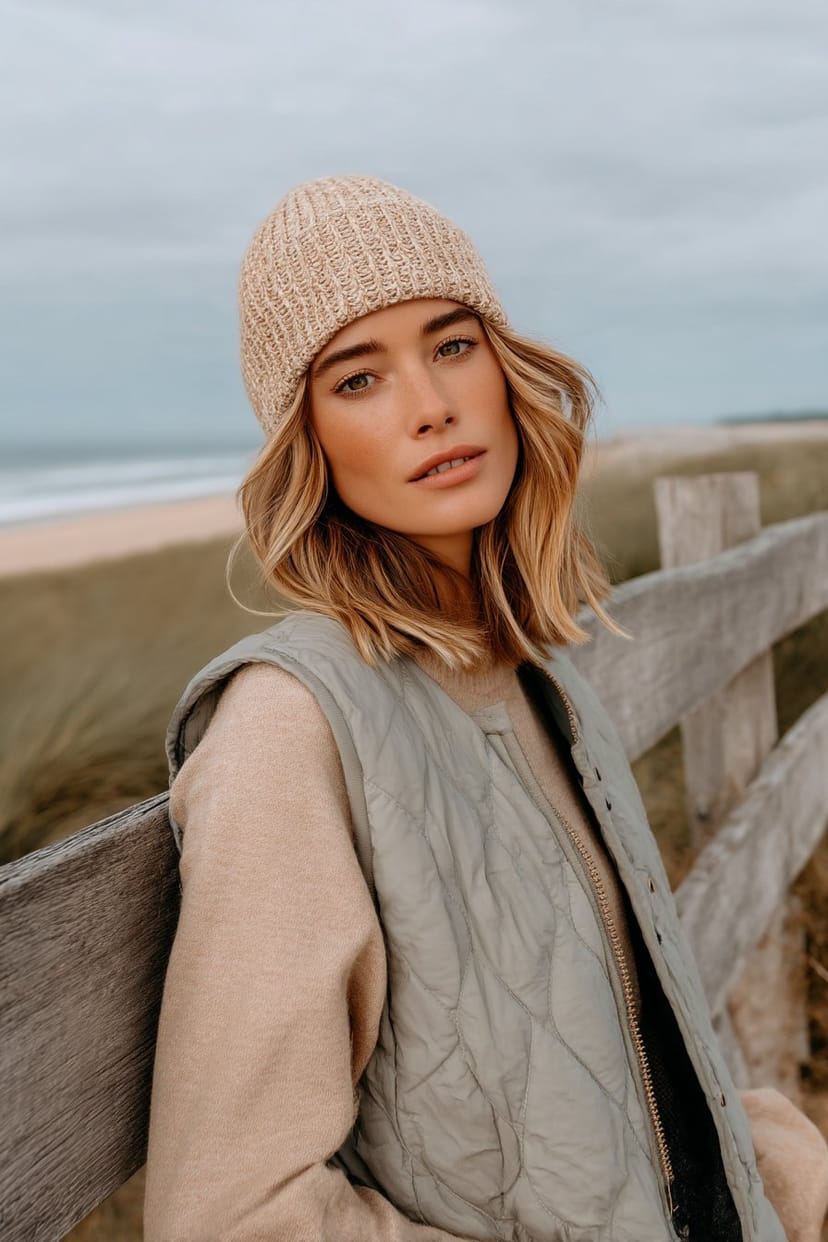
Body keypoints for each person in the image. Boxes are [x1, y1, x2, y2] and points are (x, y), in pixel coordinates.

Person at [143, 175, 828, 1241]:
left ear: (507, 370)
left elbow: (600, 1091)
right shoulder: (291, 726)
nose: (430, 405)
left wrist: (775, 1177)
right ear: (308, 439)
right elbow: (231, 1215)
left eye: (453, 345)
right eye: (359, 378)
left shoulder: (541, 681)